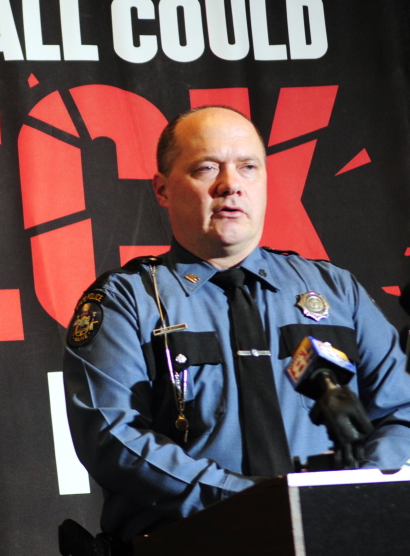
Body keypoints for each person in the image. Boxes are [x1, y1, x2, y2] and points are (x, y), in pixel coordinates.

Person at [63, 106, 410, 544]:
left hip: (337, 536)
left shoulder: (336, 291)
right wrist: (249, 501)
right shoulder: (124, 300)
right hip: (197, 542)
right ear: (163, 190)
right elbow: (113, 437)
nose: (230, 185)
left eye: (248, 167)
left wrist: (353, 492)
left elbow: (402, 414)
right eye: (207, 168)